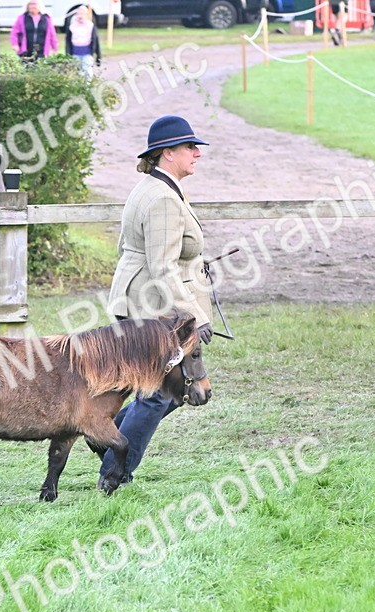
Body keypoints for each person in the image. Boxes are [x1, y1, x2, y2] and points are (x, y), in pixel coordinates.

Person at [102, 115, 215, 486]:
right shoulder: (163, 198)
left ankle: (104, 437)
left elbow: (131, 249)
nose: (196, 153)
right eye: (189, 147)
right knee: (159, 394)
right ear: (167, 153)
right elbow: (162, 266)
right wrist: (195, 315)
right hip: (149, 305)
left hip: (141, 300)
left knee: (166, 393)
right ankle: (115, 471)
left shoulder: (155, 187)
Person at [64, 5, 100, 77]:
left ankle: (87, 87)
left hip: (87, 53)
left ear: (86, 15)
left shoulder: (90, 26)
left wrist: (99, 56)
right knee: (78, 73)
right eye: (78, 14)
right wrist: (67, 55)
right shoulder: (72, 27)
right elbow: (68, 41)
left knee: (88, 72)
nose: (80, 16)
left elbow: (96, 41)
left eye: (82, 14)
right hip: (75, 53)